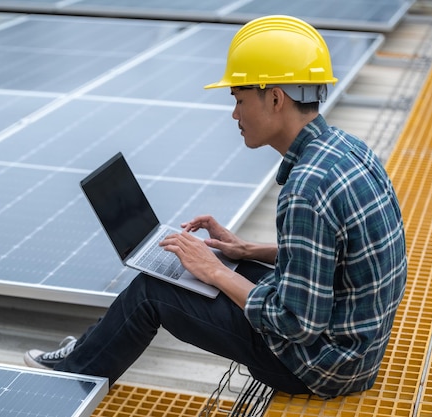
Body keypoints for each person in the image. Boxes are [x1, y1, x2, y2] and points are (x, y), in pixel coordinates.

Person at [24, 15, 407, 399]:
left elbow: (295, 323)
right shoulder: (348, 150)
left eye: (239, 100)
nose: (235, 115)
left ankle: (73, 374)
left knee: (152, 292)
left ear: (275, 98)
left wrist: (213, 272)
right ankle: (90, 348)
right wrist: (245, 251)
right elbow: (337, 255)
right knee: (229, 267)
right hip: (356, 347)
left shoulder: (306, 188)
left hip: (320, 367)